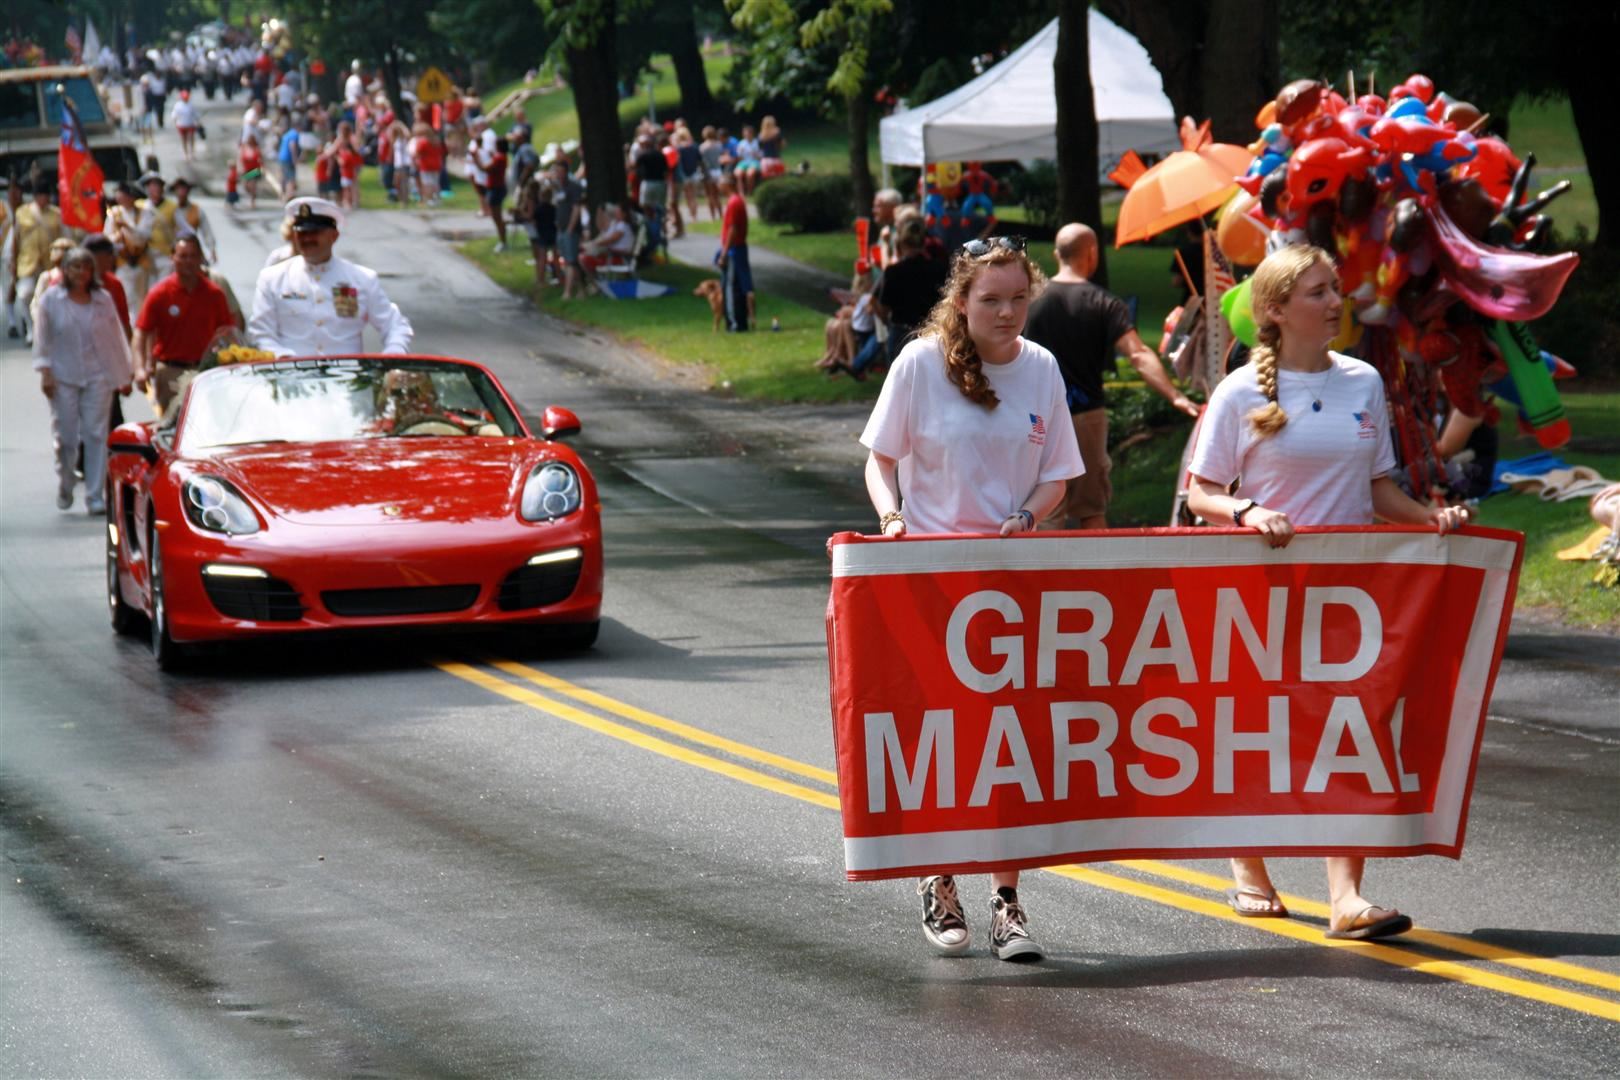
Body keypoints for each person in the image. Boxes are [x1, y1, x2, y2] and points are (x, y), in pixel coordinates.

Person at [1184, 243, 1470, 940]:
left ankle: (1347, 897)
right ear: (1276, 311)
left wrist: (1430, 518)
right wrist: (1250, 513)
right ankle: (1248, 868)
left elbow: (1378, 489)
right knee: (1256, 726)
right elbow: (1200, 494)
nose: (1335, 300)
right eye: (1317, 292)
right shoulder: (1240, 391)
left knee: (1351, 729)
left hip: (1346, 589)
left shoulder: (1363, 381)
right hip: (1257, 587)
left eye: (1335, 287)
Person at [859, 235, 1082, 961]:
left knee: (1010, 743)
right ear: (962, 301)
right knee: (946, 739)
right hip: (930, 580)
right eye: (992, 300)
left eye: (1020, 298)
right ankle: (940, 877)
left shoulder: (1042, 368)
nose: (1009, 312)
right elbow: (880, 458)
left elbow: (1058, 474)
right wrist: (892, 521)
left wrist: (1031, 515)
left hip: (1010, 584)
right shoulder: (921, 365)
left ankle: (1008, 902)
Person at [1024, 223, 1200, 529]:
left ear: (1056, 254)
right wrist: (1175, 396)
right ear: (1092, 253)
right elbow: (1138, 354)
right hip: (1085, 418)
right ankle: (1100, 576)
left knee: (1043, 512)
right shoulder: (1104, 302)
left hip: (1035, 418)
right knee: (1091, 509)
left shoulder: (1028, 301)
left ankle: (1042, 576)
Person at [32, 247, 133, 514]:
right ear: (65, 270)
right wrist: (45, 372)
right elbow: (43, 338)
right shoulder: (51, 300)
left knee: (96, 434)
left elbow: (116, 338)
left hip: (98, 376)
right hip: (63, 376)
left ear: (92, 272)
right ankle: (66, 481)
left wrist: (123, 373)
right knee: (66, 438)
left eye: (85, 267)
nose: (81, 272)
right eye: (75, 267)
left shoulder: (103, 299)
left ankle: (94, 496)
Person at [250, 197, 413, 357]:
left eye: (315, 233)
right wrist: (282, 357)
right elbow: (261, 333)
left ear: (334, 236)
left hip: (348, 378)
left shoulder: (361, 279)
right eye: (301, 232)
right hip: (291, 376)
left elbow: (395, 325)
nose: (307, 238)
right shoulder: (273, 278)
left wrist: (393, 354)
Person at [134, 235, 237, 414]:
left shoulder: (215, 294)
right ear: (172, 258)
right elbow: (141, 332)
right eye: (183, 256)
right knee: (176, 424)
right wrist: (140, 369)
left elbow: (227, 333)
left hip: (205, 372)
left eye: (193, 256)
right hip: (171, 371)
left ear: (200, 258)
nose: (188, 261)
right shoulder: (160, 293)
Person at [852, 217, 946, 378]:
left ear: (901, 244)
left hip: (901, 331)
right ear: (924, 243)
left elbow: (877, 303)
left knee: (900, 384)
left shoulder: (893, 272)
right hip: (932, 331)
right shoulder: (939, 269)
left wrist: (885, 321)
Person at [10, 182, 65, 344]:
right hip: (27, 262)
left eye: (46, 195)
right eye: (41, 195)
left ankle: (46, 328)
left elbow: (64, 238)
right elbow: (15, 239)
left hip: (50, 264)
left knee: (49, 297)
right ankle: (31, 327)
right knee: (24, 294)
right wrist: (12, 260)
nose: (44, 199)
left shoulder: (57, 214)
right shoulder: (22, 213)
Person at [717, 174, 753, 331]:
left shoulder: (734, 203)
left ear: (727, 184)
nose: (718, 185)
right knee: (736, 285)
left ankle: (735, 322)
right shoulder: (737, 201)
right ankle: (739, 320)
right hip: (737, 248)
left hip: (734, 249)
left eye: (720, 183)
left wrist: (724, 253)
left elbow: (733, 229)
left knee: (731, 286)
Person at [551, 160, 586, 300]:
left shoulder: (574, 187)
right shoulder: (559, 188)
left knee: (570, 261)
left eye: (560, 171)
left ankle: (567, 292)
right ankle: (581, 288)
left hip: (570, 230)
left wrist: (570, 228)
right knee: (569, 260)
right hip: (561, 228)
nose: (558, 174)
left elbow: (576, 209)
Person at [578, 202, 636, 287]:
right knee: (582, 256)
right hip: (611, 254)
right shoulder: (615, 225)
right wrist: (599, 211)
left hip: (616, 256)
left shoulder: (622, 226)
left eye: (618, 211)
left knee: (583, 257)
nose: (615, 213)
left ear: (624, 214)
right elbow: (602, 228)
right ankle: (593, 284)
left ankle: (595, 284)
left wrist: (596, 243)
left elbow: (611, 239)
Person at [168, 178, 218, 265]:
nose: (181, 192)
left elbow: (206, 231)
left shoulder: (197, 210)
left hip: (192, 247)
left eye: (183, 189)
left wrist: (212, 249)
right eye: (179, 189)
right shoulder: (170, 210)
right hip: (175, 249)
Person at [171, 88, 200, 161]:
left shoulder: (191, 105)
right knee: (184, 139)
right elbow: (174, 115)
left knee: (191, 139)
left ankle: (192, 153)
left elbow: (195, 114)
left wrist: (198, 122)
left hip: (190, 124)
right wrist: (175, 123)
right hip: (181, 125)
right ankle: (186, 153)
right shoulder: (178, 105)